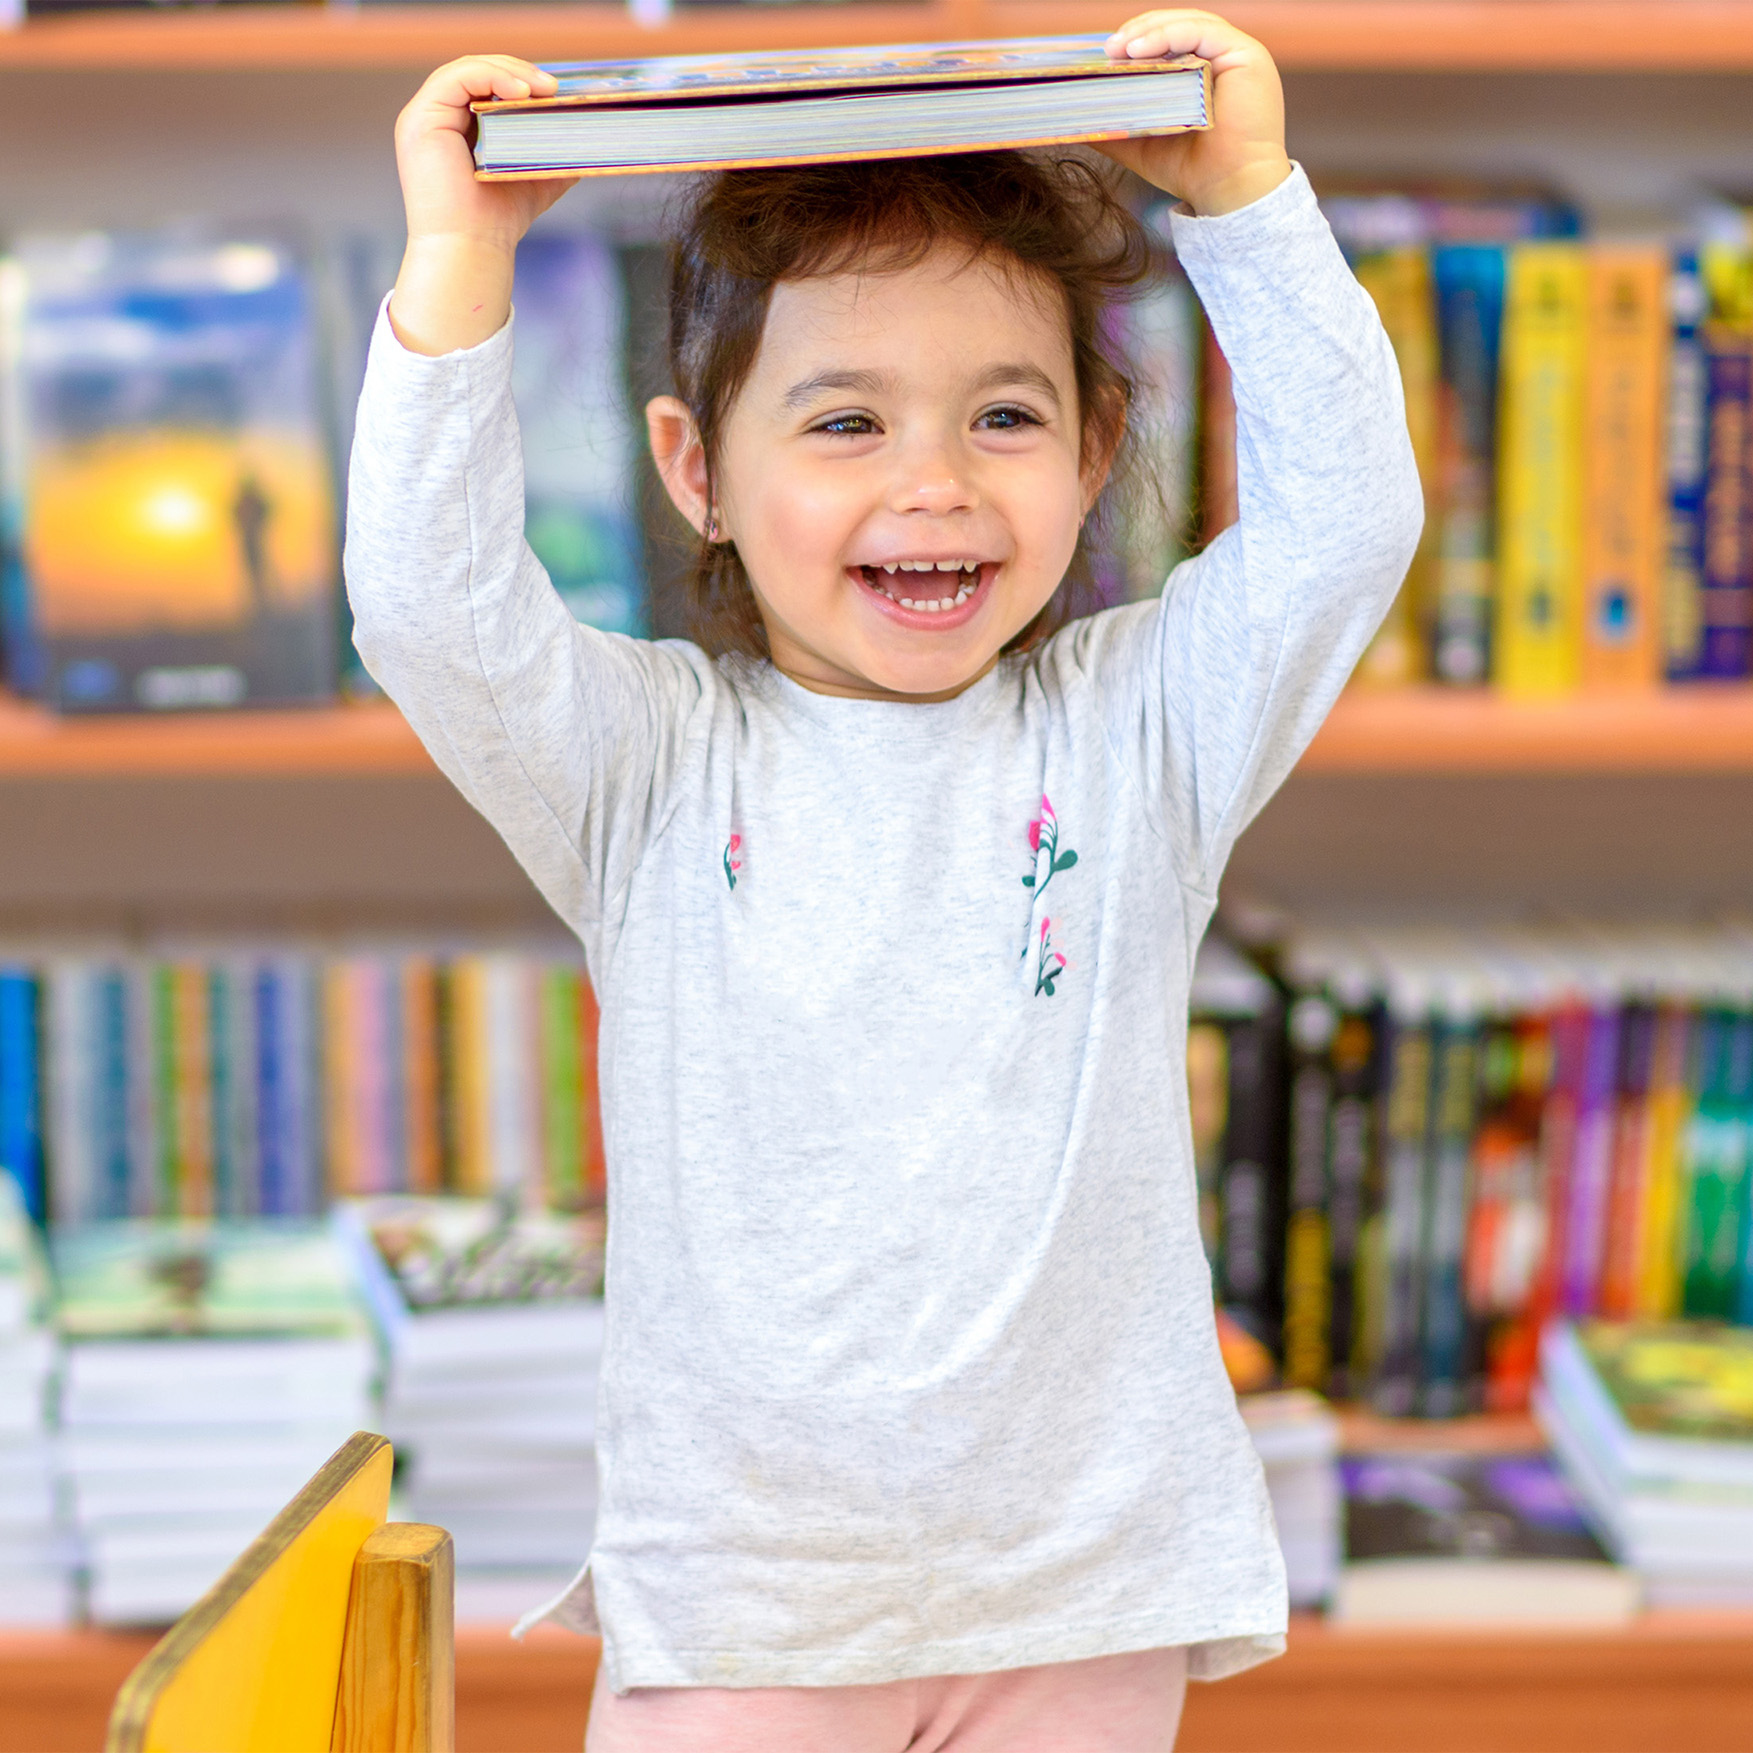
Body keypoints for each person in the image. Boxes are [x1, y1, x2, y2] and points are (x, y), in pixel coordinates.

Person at [347, 11, 1421, 1748]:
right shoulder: (646, 765)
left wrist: (1240, 197)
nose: (933, 482)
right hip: (749, 1609)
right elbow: (427, 614)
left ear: (1092, 455)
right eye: (842, 420)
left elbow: (1343, 528)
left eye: (1004, 415)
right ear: (697, 472)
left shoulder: (1142, 731)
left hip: (1081, 1594)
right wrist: (461, 258)